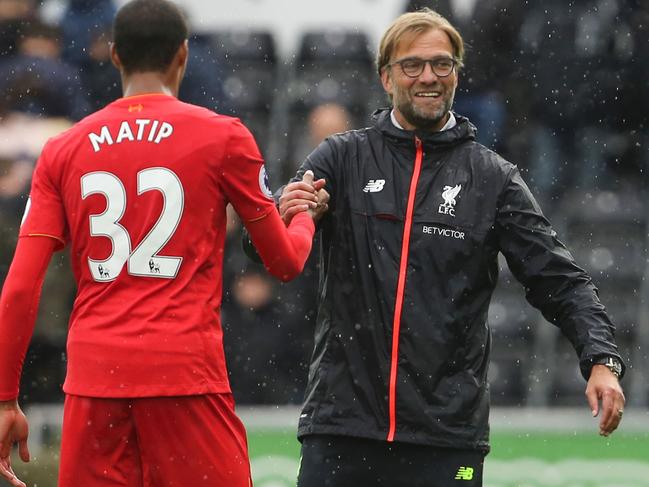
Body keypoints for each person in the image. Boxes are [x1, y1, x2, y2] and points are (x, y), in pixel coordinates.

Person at [263, 8, 626, 487]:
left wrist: (601, 359)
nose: (428, 77)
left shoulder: (493, 178)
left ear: (457, 73)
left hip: (445, 439)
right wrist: (286, 212)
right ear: (386, 77)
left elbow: (560, 280)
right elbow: (263, 245)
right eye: (412, 65)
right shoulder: (340, 157)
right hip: (341, 430)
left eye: (442, 64)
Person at [0, 1, 326, 486]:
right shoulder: (223, 137)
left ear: (113, 56)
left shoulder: (64, 149)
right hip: (184, 376)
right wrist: (303, 220)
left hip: (95, 380)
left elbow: (20, 289)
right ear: (183, 55)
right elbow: (282, 262)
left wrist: (5, 397)